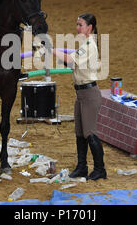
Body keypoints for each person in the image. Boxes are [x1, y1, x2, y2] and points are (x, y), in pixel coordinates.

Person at [51, 13, 107, 181]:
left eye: (80, 25)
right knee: (80, 133)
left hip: (88, 94)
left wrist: (51, 50)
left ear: (89, 28)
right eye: (77, 24)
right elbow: (70, 61)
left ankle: (100, 169)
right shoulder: (86, 44)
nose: (77, 28)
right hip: (81, 93)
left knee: (90, 133)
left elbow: (70, 61)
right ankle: (82, 166)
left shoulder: (89, 45)